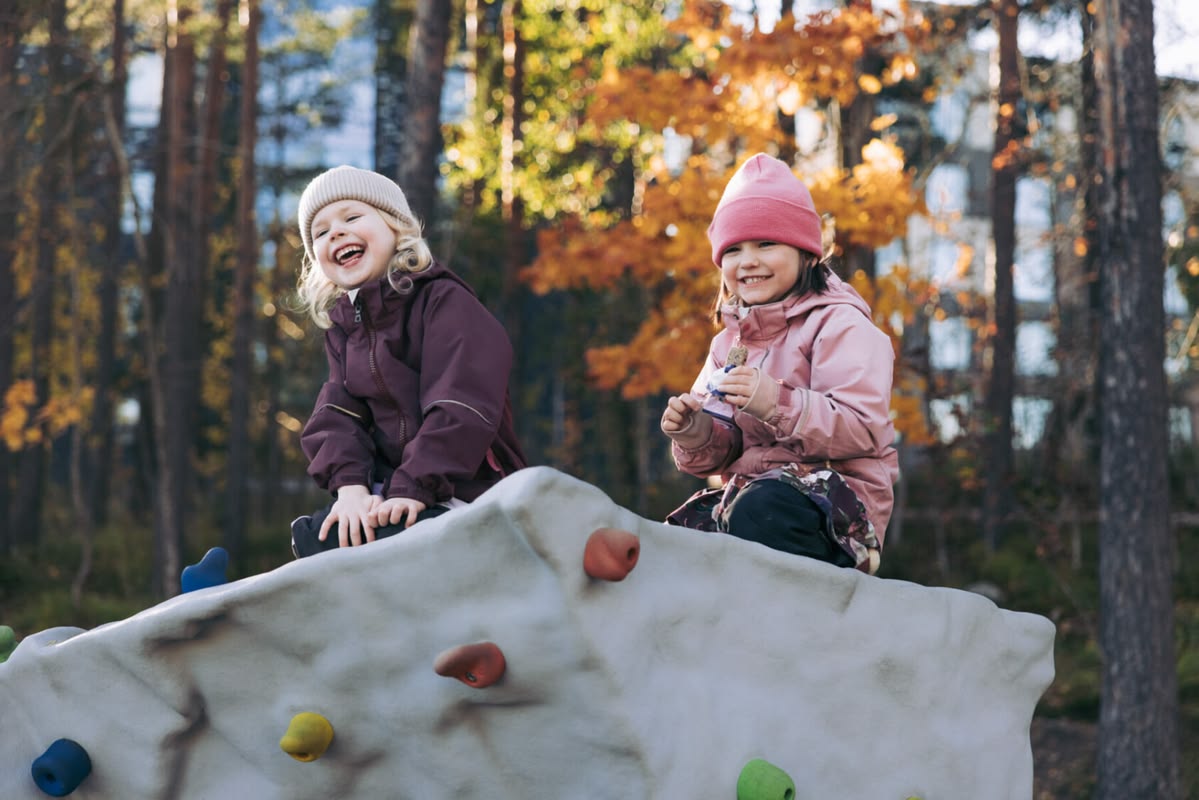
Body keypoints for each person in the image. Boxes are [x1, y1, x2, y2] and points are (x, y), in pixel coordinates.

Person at [660, 153, 898, 574]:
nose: (748, 260)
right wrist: (696, 432)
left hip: (835, 505)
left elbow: (862, 428)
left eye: (766, 244)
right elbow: (722, 450)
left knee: (762, 509)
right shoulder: (727, 344)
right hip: (751, 495)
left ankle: (821, 593)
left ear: (807, 253)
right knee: (675, 540)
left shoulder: (839, 324)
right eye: (733, 250)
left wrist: (774, 402)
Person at [290, 165, 526, 557]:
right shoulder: (345, 331)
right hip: (393, 492)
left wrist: (414, 485)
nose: (336, 233)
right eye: (321, 232)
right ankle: (228, 589)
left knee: (389, 540)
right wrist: (350, 489)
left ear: (396, 228)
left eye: (352, 217)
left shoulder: (445, 303)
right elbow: (337, 417)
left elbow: (461, 405)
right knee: (321, 536)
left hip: (466, 487)